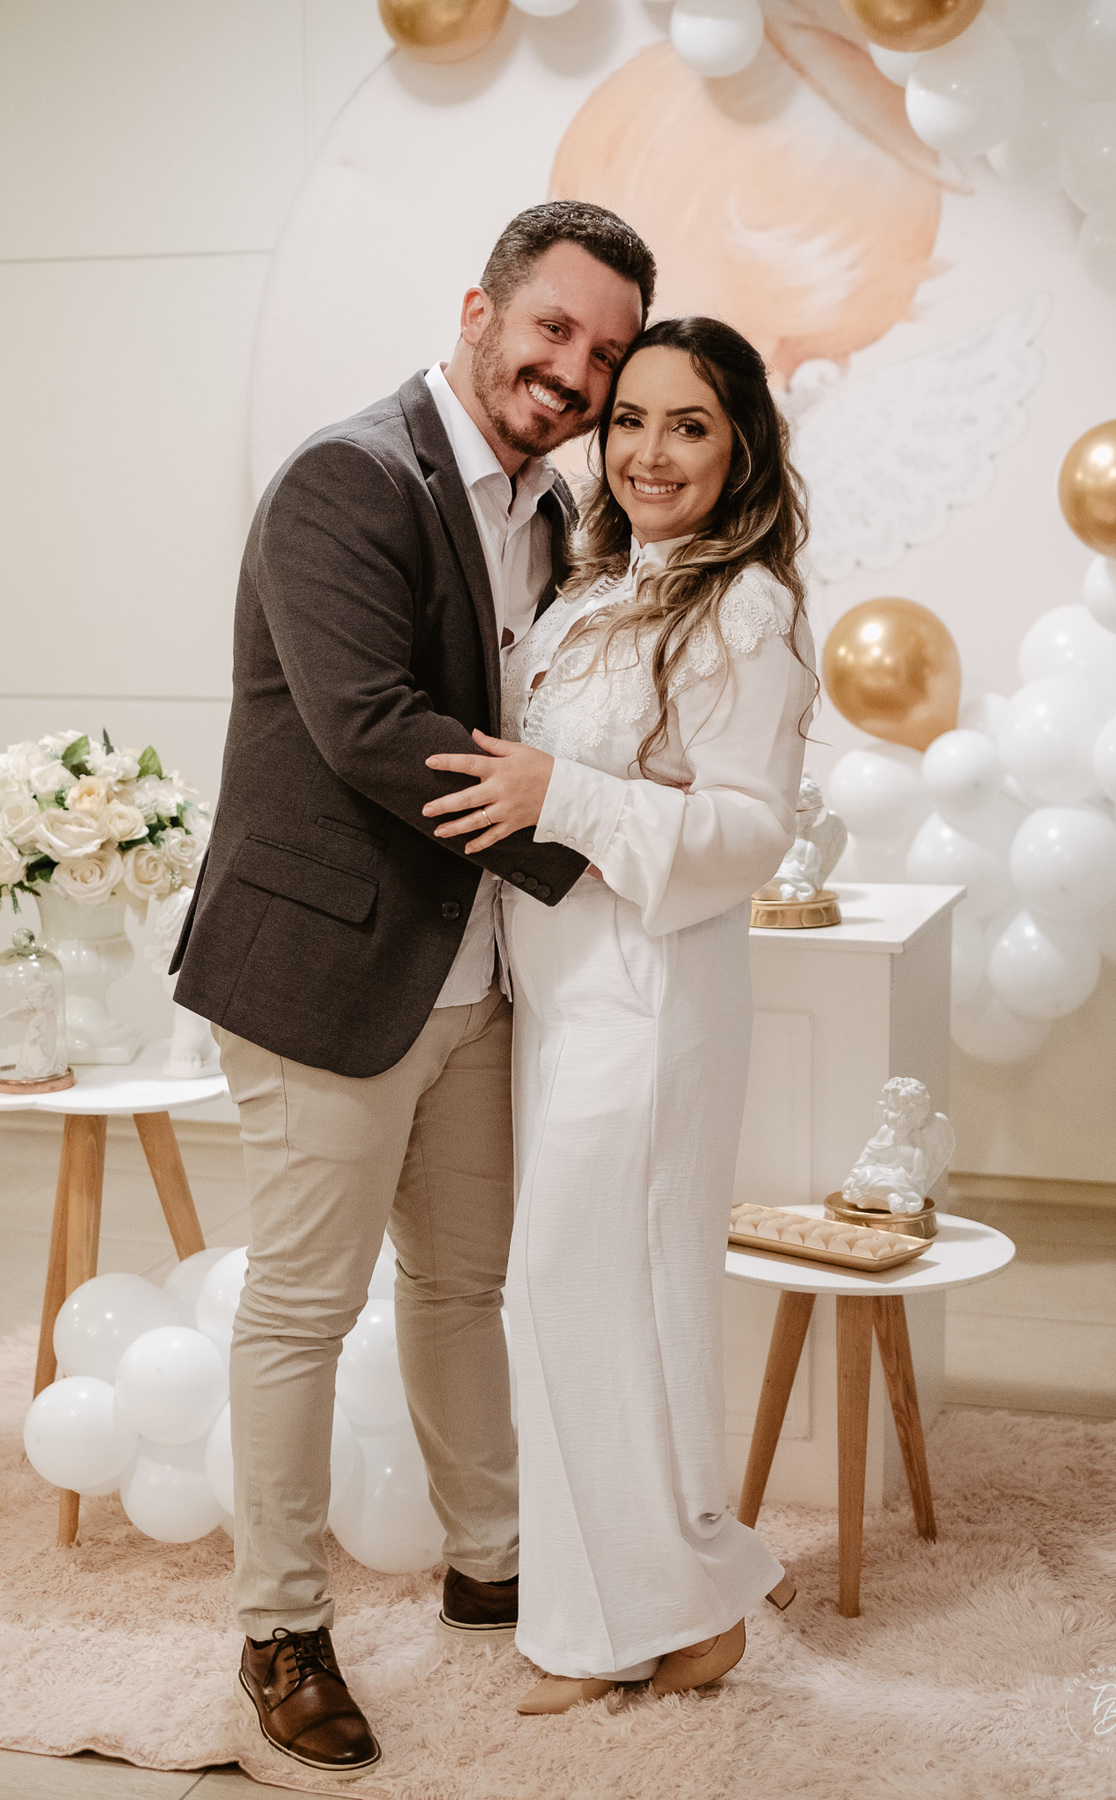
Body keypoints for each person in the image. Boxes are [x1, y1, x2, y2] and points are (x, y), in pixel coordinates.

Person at [170, 202, 654, 1780]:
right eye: (553, 330)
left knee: (461, 1289)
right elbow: (374, 727)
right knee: (302, 1311)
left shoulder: (551, 506)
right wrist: (601, 845)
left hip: (470, 981)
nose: (573, 370)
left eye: (603, 349)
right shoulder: (348, 477)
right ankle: (280, 1628)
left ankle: (492, 1560)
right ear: (481, 308)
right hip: (328, 970)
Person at [422, 315, 818, 1712]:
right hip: (569, 998)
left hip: (651, 1005)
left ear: (740, 445)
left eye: (689, 425)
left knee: (599, 1298)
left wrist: (563, 797)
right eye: (631, 419)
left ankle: (649, 1617)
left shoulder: (744, 608)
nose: (649, 452)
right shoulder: (597, 592)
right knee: (590, 1303)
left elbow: (748, 831)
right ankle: (657, 1612)